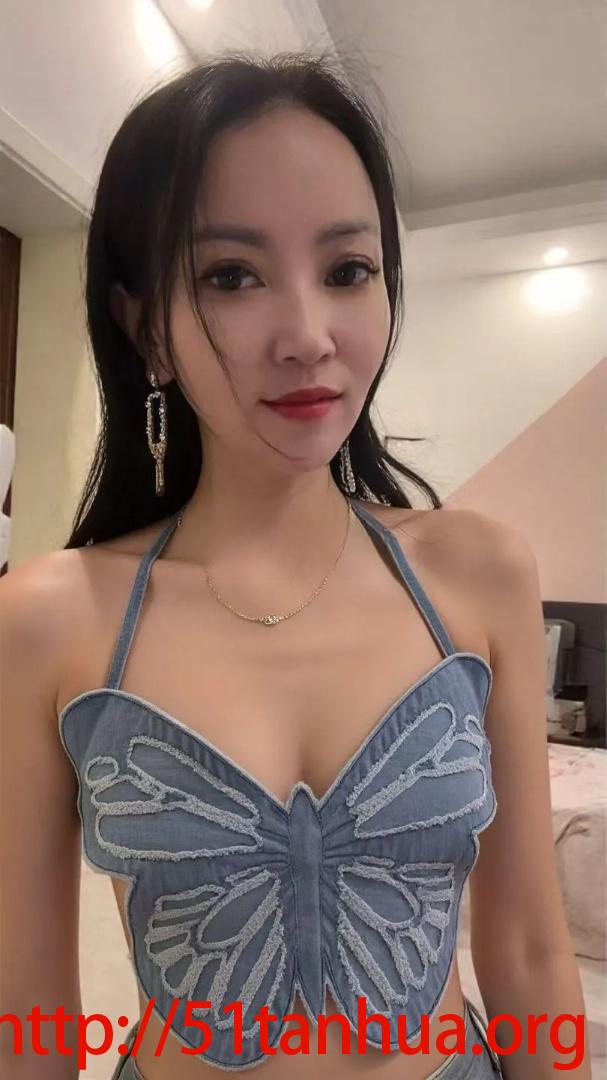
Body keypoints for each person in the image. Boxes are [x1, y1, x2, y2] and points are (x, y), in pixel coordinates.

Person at [0, 53, 589, 1080]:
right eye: (231, 275)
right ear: (146, 329)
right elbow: (25, 1009)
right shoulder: (50, 616)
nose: (309, 337)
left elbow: (531, 952)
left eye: (347, 270)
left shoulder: (476, 571)